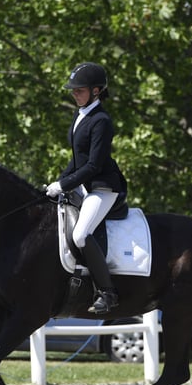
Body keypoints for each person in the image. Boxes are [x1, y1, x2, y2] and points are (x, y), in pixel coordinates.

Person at [46, 62, 128, 314]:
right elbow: (77, 159)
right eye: (73, 90)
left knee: (81, 234)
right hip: (84, 184)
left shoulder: (101, 120)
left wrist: (64, 184)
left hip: (103, 187)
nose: (74, 93)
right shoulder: (80, 114)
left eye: (79, 90)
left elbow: (93, 165)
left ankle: (107, 292)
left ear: (95, 91)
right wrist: (58, 182)